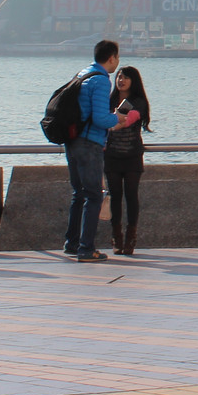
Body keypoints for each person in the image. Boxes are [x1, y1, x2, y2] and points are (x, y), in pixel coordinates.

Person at [65, 40, 138, 262]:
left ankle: (72, 242)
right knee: (94, 195)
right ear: (111, 58)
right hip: (89, 144)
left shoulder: (82, 74)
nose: (117, 62)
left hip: (73, 141)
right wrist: (117, 117)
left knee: (78, 194)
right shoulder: (100, 80)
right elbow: (99, 118)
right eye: (117, 58)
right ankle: (87, 249)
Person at [104, 65, 151, 256]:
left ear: (134, 81)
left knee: (131, 196)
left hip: (132, 155)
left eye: (125, 77)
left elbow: (126, 119)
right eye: (119, 77)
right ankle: (117, 237)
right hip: (112, 155)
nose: (121, 80)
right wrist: (110, 122)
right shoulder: (110, 100)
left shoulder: (137, 102)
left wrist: (110, 124)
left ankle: (131, 237)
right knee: (115, 196)